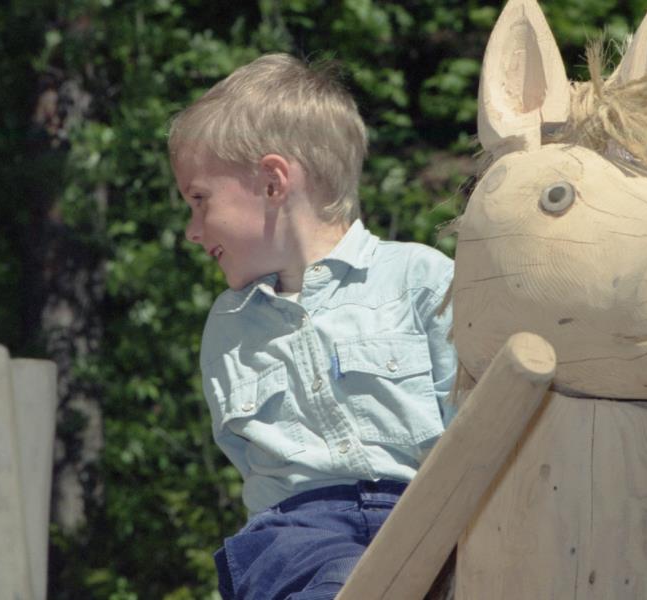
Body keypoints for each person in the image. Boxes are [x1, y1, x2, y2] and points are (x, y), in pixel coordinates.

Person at [168, 53, 456, 600]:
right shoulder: (229, 329)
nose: (192, 230)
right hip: (296, 531)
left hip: (426, 516)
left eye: (199, 200)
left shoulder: (421, 280)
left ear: (273, 183)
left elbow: (472, 423)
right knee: (326, 578)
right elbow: (252, 468)